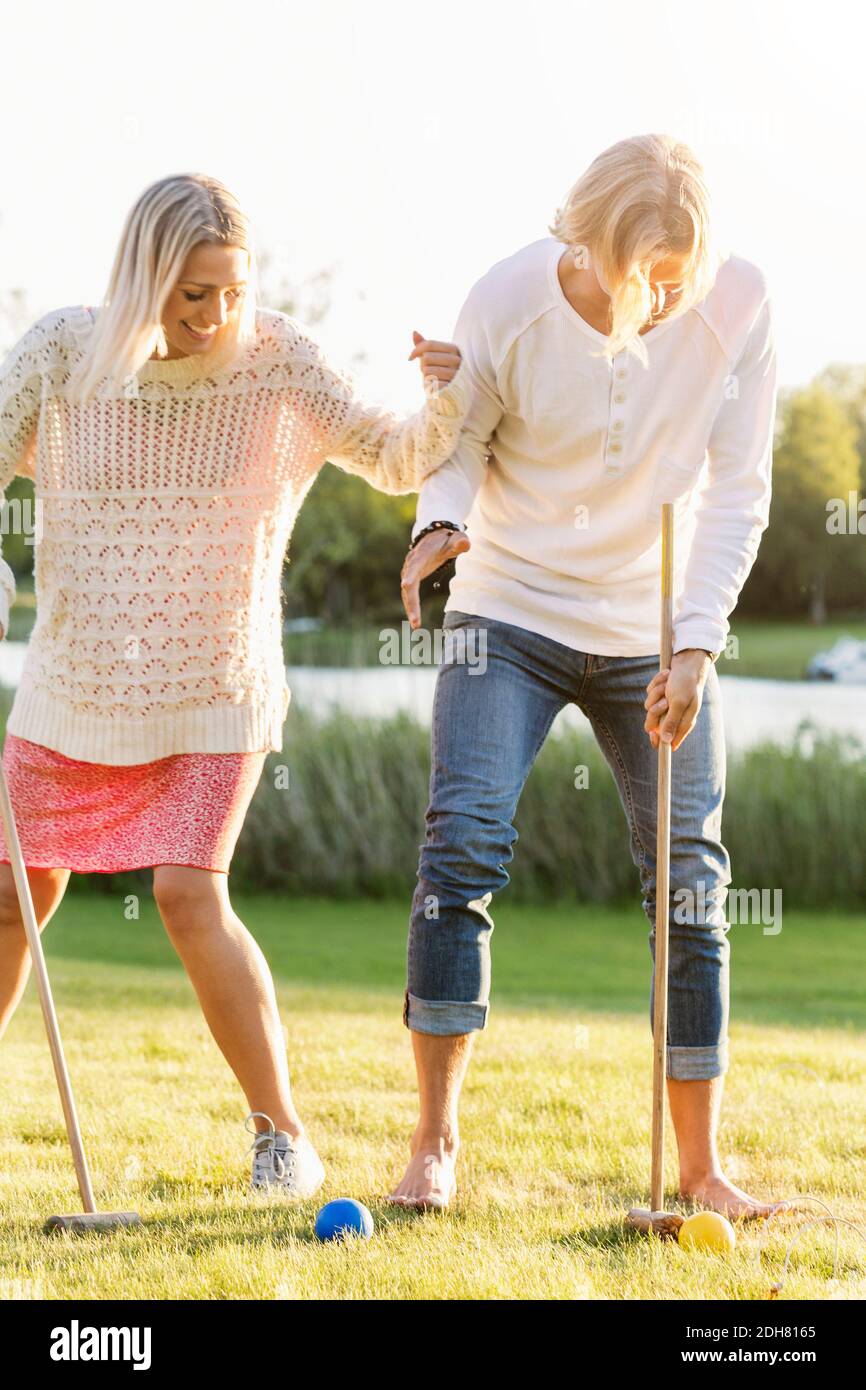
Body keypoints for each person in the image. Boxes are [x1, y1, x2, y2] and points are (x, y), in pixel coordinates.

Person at [0, 172, 466, 1200]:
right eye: (191, 295)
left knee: (185, 892)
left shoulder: (275, 360)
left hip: (215, 682)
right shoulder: (62, 356)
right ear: (142, 281)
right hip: (73, 677)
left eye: (231, 291)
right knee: (8, 894)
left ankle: (281, 1137)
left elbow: (389, 455)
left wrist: (449, 393)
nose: (215, 317)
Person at [391, 134, 784, 1220]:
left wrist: (694, 645)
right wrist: (439, 524)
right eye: (636, 276)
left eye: (674, 279)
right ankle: (432, 1146)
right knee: (461, 839)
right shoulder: (510, 295)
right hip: (507, 604)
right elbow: (457, 440)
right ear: (585, 241)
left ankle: (700, 1171)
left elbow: (739, 490)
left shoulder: (738, 304)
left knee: (690, 885)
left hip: (648, 623)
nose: (655, 302)